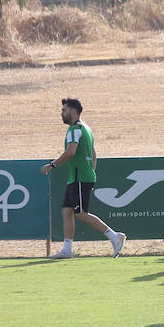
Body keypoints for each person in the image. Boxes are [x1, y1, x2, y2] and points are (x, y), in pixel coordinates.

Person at [41, 98, 125, 259]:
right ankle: (67, 249)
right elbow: (93, 153)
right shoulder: (85, 128)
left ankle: (115, 236)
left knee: (81, 213)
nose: (61, 113)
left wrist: (51, 165)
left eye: (64, 110)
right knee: (67, 211)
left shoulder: (74, 129)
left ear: (73, 111)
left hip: (79, 177)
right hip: (79, 177)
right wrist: (91, 172)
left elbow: (71, 152)